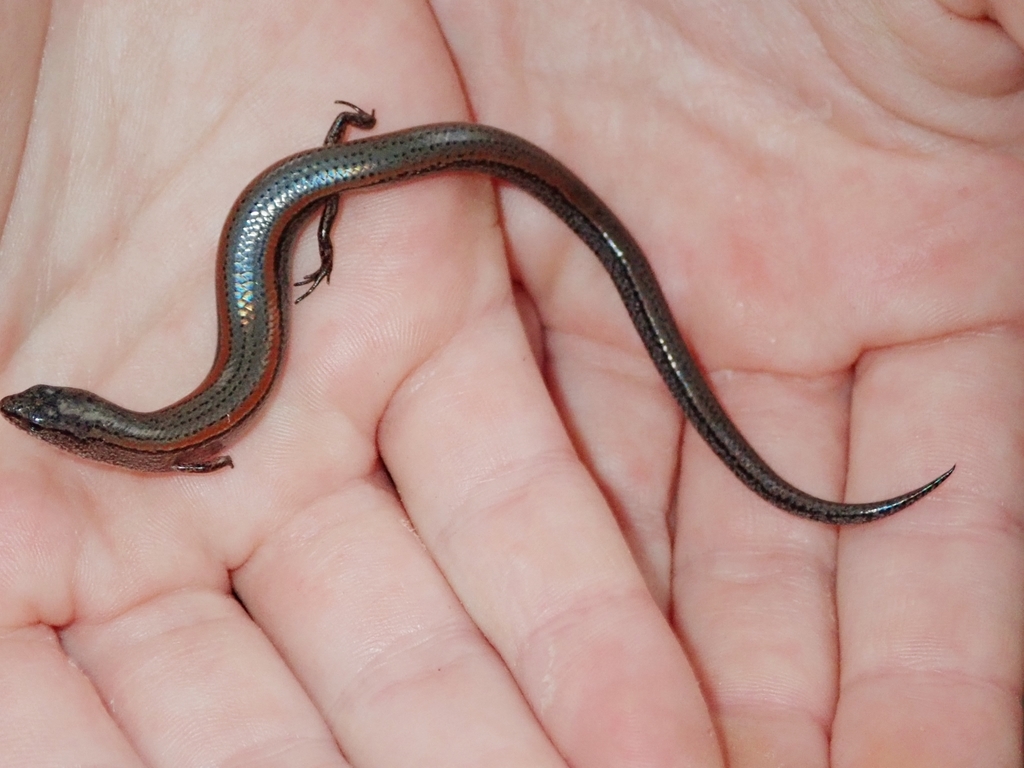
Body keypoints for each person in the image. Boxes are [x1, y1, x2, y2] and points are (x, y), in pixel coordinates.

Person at [0, 2, 1019, 765]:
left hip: (308, 191)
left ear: (89, 430)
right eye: (52, 419)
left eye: (45, 412)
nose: (43, 417)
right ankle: (355, 153)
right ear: (88, 431)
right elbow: (202, 449)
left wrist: (205, 453)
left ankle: (361, 160)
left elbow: (204, 454)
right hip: (304, 191)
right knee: (361, 198)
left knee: (501, 222)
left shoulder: (164, 443)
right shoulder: (160, 438)